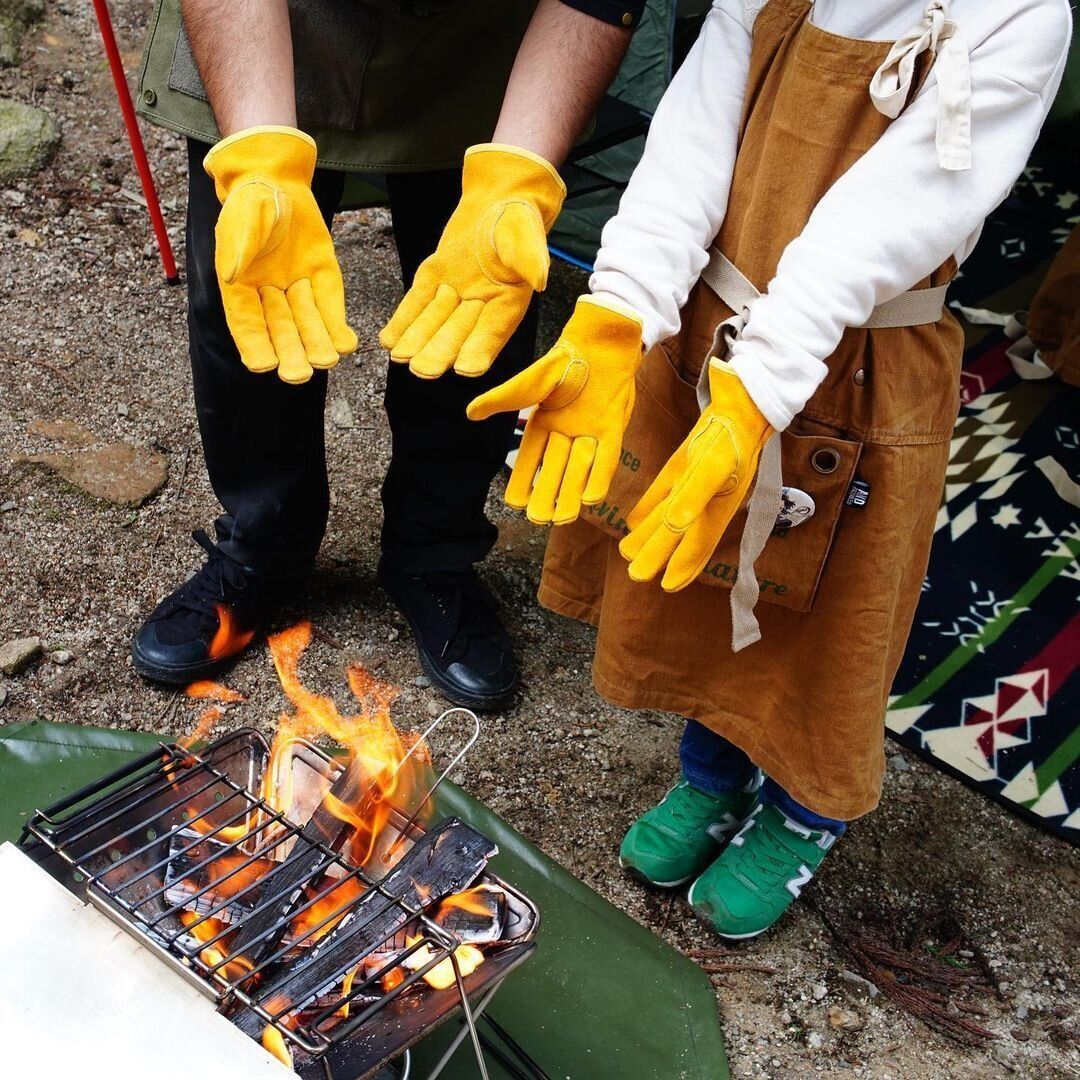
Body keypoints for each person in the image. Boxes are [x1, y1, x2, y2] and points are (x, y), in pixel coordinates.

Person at [465, 0, 1071, 937]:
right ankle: (711, 777)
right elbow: (695, 136)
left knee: (828, 632)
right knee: (702, 590)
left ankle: (802, 818)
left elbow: (889, 221)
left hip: (865, 364)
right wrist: (625, 306)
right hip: (717, 321)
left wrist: (761, 390)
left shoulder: (1021, 16)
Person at [130, 0, 639, 710]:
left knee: (480, 300)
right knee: (251, 284)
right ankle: (261, 553)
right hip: (273, 29)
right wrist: (258, 164)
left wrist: (514, 181)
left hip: (491, 53)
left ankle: (436, 555)